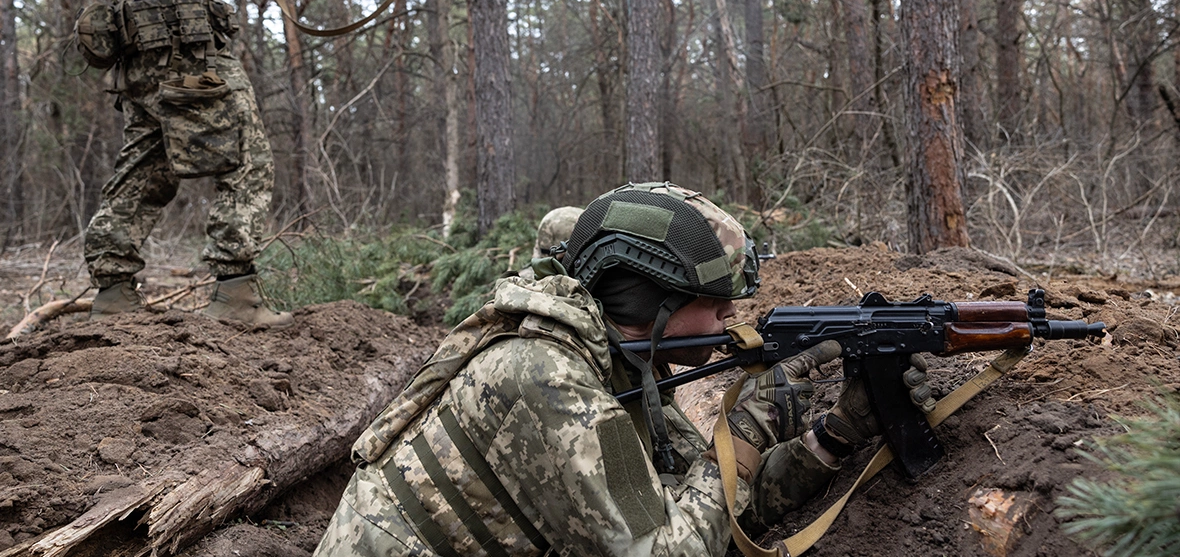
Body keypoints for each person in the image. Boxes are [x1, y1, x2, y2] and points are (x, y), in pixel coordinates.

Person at [313, 182, 935, 556]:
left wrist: (836, 433)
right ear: (654, 307)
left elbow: (710, 506)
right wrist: (750, 425)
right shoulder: (543, 379)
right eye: (715, 307)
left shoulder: (615, 361)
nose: (729, 324)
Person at [80, 0, 408, 328]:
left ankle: (112, 294)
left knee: (148, 167)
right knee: (247, 157)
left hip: (147, 55)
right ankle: (236, 294)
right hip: (186, 53)